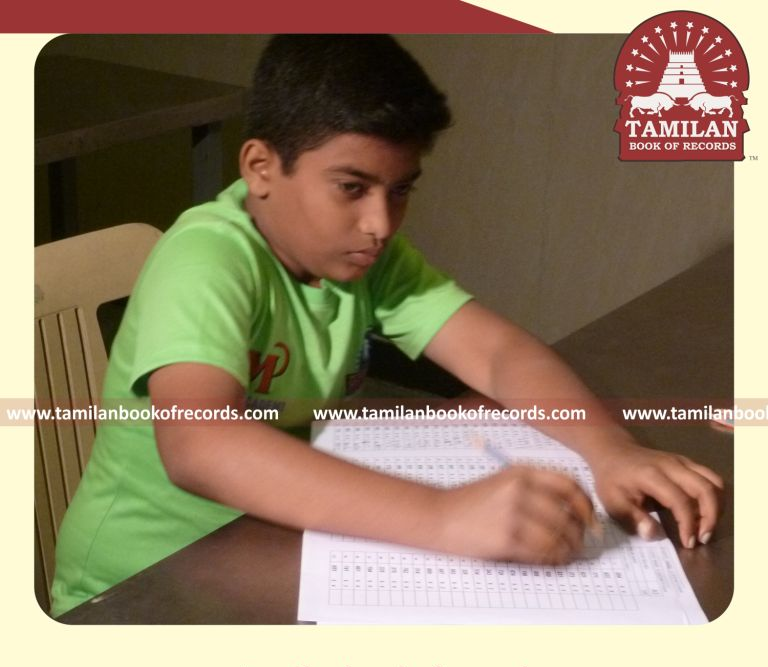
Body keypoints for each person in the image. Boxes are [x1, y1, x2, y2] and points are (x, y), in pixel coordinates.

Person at [50, 34, 722, 617]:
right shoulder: (207, 258)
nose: (379, 224)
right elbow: (201, 445)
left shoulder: (362, 259)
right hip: (139, 587)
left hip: (275, 543)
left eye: (400, 190)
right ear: (260, 168)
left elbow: (497, 353)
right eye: (351, 188)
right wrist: (444, 515)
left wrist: (608, 448)